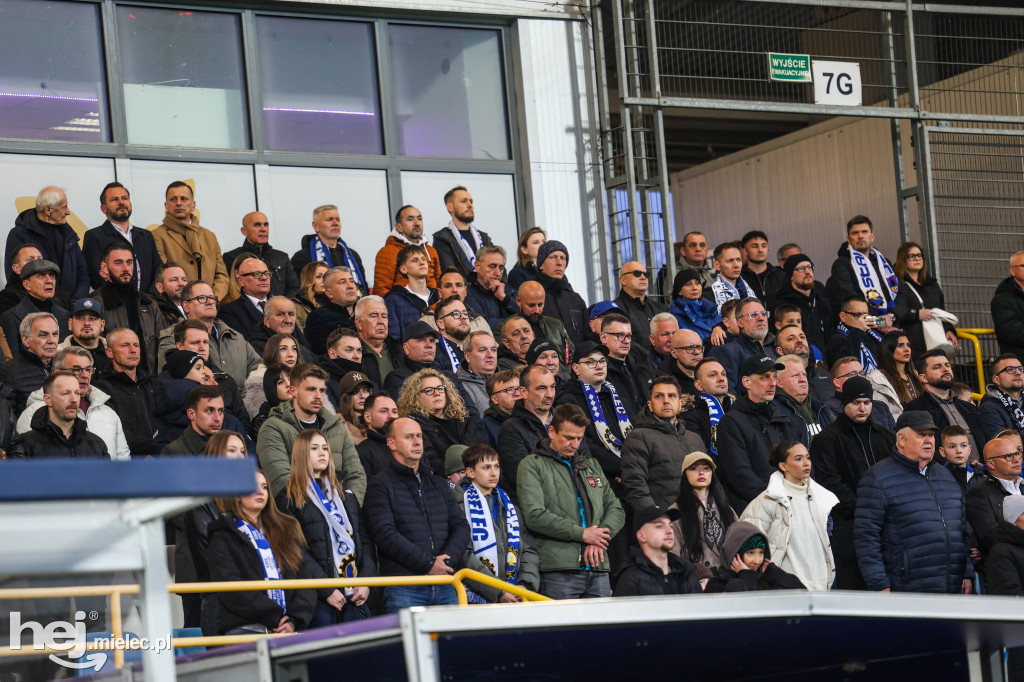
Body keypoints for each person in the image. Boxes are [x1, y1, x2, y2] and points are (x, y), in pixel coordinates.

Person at [856, 410, 974, 594]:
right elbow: (866, 537)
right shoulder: (877, 478)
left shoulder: (946, 476)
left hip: (953, 585)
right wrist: (879, 583)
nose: (928, 440)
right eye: (921, 435)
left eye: (931, 435)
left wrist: (966, 572)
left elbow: (959, 530)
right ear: (901, 440)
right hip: (906, 589)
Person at [517, 404, 625, 599]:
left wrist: (597, 539)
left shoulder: (591, 465)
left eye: (579, 438)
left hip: (598, 564)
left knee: (603, 629)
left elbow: (616, 508)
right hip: (558, 570)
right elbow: (534, 515)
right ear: (551, 431)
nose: (574, 444)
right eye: (568, 437)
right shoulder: (531, 465)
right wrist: (583, 534)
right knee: (562, 629)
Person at [363, 416, 470, 612]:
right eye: (409, 437)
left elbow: (461, 526)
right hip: (405, 587)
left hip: (445, 582)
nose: (417, 441)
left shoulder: (437, 483)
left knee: (450, 643)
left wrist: (444, 563)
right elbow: (385, 534)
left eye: (419, 436)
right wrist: (428, 564)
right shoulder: (380, 485)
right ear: (392, 443)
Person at [278, 429, 373, 624]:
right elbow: (295, 550)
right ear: (301, 454)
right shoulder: (288, 498)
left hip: (355, 592)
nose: (322, 453)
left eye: (325, 448)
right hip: (318, 598)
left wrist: (367, 580)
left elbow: (365, 541)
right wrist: (326, 588)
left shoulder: (346, 494)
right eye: (314, 448)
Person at [205, 470, 317, 635]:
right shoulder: (222, 534)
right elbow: (232, 588)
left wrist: (293, 619)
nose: (260, 492)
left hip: (289, 629)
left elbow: (306, 580)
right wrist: (277, 617)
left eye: (264, 487)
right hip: (245, 629)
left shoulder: (285, 530)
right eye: (252, 487)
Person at [810, 376, 894, 589]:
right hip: (848, 527)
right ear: (844, 403)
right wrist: (865, 509)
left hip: (886, 525)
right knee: (855, 591)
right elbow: (829, 482)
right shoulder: (827, 439)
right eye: (856, 403)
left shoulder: (884, 436)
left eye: (867, 402)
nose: (862, 408)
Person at [257, 363, 366, 501]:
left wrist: (349, 507)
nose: (318, 396)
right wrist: (321, 509)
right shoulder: (273, 428)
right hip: (300, 515)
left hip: (341, 512)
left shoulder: (337, 427)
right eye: (311, 389)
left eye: (321, 390)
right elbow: (281, 480)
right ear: (293, 391)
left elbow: (356, 475)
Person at [740, 440, 837, 590]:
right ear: (783, 466)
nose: (806, 463)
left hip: (821, 587)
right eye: (798, 459)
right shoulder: (766, 502)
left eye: (808, 457)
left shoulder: (822, 499)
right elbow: (747, 548)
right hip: (785, 589)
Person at [453, 443, 541, 603]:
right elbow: (464, 555)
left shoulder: (511, 507)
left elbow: (528, 548)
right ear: (470, 472)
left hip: (516, 595)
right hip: (475, 599)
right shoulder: (458, 507)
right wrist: (498, 591)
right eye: (486, 467)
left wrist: (524, 584)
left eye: (497, 467)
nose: (494, 473)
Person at [715, 355, 804, 510]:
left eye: (775, 377)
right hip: (757, 512)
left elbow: (803, 464)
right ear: (746, 382)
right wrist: (777, 500)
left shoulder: (788, 421)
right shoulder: (731, 422)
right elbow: (739, 474)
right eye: (765, 377)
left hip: (794, 508)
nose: (772, 383)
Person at [15, 347, 129, 460]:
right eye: (77, 369)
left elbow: (123, 463)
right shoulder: (32, 413)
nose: (85, 375)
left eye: (88, 369)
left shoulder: (108, 413)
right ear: (58, 373)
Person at [556, 341, 633, 493]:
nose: (599, 366)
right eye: (591, 362)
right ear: (576, 368)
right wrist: (620, 468)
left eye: (602, 361)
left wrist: (635, 468)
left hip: (632, 471)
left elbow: (637, 432)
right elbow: (583, 444)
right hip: (600, 477)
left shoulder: (618, 397)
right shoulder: (568, 402)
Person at [620, 376, 705, 512]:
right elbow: (635, 485)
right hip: (667, 520)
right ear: (650, 405)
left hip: (700, 517)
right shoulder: (638, 437)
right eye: (659, 396)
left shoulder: (695, 438)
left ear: (680, 403)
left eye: (671, 396)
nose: (666, 401)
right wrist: (656, 520)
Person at [156, 281, 261, 387]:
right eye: (202, 298)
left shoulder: (235, 336)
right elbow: (171, 379)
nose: (210, 302)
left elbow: (259, 368)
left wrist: (245, 398)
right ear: (186, 306)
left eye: (212, 298)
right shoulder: (172, 337)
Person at [91, 243, 168, 374]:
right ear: (104, 267)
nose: (126, 268)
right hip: (112, 383)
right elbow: (95, 349)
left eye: (129, 262)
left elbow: (164, 346)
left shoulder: (149, 303)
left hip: (150, 383)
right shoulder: (95, 304)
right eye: (118, 263)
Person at [5, 185, 89, 298]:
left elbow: (82, 272)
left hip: (69, 307)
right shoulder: (19, 234)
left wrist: (75, 302)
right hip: (35, 310)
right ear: (48, 210)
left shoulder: (68, 234)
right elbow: (14, 276)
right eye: (64, 207)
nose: (68, 212)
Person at [396, 368, 481, 477]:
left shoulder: (463, 420)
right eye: (429, 390)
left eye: (440, 388)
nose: (437, 393)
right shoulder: (416, 426)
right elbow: (434, 465)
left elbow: (483, 453)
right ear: (416, 396)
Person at [152, 181, 229, 299]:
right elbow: (163, 276)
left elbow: (221, 276)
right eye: (173, 199)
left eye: (183, 199)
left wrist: (212, 299)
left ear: (193, 205)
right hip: (177, 306)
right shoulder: (156, 235)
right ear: (166, 206)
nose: (178, 203)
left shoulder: (209, 236)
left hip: (210, 306)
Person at [905, 349, 988, 458]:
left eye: (947, 365)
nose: (945, 369)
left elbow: (987, 441)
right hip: (944, 473)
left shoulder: (968, 407)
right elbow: (920, 449)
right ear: (923, 378)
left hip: (982, 471)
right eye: (937, 367)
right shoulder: (916, 408)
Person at [8, 370, 109, 459]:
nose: (74, 399)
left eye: (77, 393)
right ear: (48, 399)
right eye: (66, 393)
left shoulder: (97, 445)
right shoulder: (25, 445)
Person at [83, 182, 163, 293]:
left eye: (124, 198)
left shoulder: (146, 235)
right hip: (115, 304)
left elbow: (159, 272)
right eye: (114, 200)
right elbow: (97, 276)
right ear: (103, 208)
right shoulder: (94, 236)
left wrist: (150, 298)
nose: (121, 202)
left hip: (148, 303)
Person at [668, 452, 736, 572]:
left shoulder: (726, 509)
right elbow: (672, 555)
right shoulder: (676, 511)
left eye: (706, 468)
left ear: (712, 473)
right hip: (696, 581)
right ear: (685, 474)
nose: (701, 472)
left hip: (729, 577)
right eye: (693, 468)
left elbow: (740, 542)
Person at [92, 328, 157, 456]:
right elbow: (113, 431)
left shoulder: (151, 383)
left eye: (136, 345)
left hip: (159, 458)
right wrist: (149, 448)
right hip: (128, 461)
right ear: (109, 352)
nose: (133, 350)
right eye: (125, 345)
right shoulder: (101, 390)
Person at [613, 506, 702, 597]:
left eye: (670, 526)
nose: (670, 531)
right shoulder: (631, 579)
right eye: (659, 526)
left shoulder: (685, 574)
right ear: (641, 536)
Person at [825, 215, 898, 325]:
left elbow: (900, 292)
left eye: (864, 232)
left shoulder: (884, 263)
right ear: (849, 239)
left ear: (872, 236)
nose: (860, 236)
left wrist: (892, 317)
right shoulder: (841, 265)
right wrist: (881, 322)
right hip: (864, 328)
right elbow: (850, 300)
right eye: (855, 233)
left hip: (892, 323)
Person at [497, 365, 557, 495]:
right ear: (523, 392)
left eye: (552, 387)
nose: (549, 394)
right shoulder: (511, 428)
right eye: (542, 388)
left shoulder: (567, 420)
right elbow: (523, 478)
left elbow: (587, 464)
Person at [894, 241, 958, 357]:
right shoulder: (897, 283)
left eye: (919, 255)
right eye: (912, 256)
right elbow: (896, 313)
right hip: (911, 344)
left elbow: (941, 311)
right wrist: (916, 314)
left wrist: (949, 330)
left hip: (935, 343)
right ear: (903, 259)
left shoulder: (932, 284)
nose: (917, 259)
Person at [703, 521, 806, 592]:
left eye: (761, 553)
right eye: (750, 553)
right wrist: (747, 575)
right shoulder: (717, 585)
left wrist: (774, 573)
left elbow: (801, 593)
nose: (757, 561)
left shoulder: (766, 580)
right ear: (735, 553)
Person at [966, 436, 1024, 558]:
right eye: (1008, 456)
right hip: (1007, 567)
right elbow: (991, 538)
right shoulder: (978, 495)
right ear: (991, 464)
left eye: (1017, 454)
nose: (1016, 460)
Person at [0, 258, 69, 360]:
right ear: (27, 285)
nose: (49, 281)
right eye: (41, 275)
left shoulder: (65, 315)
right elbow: (13, 361)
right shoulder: (11, 318)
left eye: (52, 276)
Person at [291, 204, 367, 296]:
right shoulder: (302, 257)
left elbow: (363, 287)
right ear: (316, 226)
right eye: (329, 219)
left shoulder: (353, 256)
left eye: (338, 219)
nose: (335, 223)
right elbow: (300, 291)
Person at [222, 211, 300, 299]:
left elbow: (294, 288)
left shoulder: (282, 257)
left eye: (266, 225)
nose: (263, 229)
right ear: (244, 231)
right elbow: (232, 290)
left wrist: (282, 306)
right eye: (257, 225)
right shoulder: (231, 258)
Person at [708, 297, 777, 394]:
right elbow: (728, 395)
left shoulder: (777, 346)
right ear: (740, 322)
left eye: (764, 314)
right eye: (753, 315)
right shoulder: (727, 352)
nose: (761, 318)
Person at [373, 205, 442, 298]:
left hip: (434, 307)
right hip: (404, 309)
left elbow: (440, 283)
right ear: (399, 227)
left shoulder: (431, 251)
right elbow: (381, 290)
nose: (417, 223)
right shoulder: (388, 252)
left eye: (419, 219)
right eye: (410, 219)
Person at [769, 254, 831, 353]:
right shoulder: (782, 306)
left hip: (824, 361)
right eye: (802, 269)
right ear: (791, 276)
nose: (807, 272)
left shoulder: (821, 303)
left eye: (809, 267)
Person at [0, 312, 60, 414]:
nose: (51, 340)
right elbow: (7, 420)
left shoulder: (66, 366)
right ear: (26, 340)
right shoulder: (8, 372)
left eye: (55, 334)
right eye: (43, 335)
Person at [821, 356, 897, 433]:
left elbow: (894, 440)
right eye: (852, 374)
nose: (859, 377)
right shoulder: (827, 410)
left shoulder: (881, 407)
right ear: (837, 382)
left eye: (861, 373)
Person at [432, 186, 492, 277]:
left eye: (471, 201)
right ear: (450, 207)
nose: (470, 205)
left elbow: (499, 267)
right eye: (464, 201)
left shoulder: (484, 238)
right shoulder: (442, 239)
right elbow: (451, 275)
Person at [535, 240, 587, 346]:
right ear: (540, 264)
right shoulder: (533, 296)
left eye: (563, 258)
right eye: (553, 257)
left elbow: (587, 335)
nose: (559, 262)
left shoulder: (576, 299)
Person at [383, 245, 440, 339]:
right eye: (415, 260)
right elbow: (394, 337)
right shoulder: (394, 299)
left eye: (423, 259)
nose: (421, 262)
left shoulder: (438, 295)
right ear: (403, 269)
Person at [867, 331, 922, 420]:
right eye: (900, 345)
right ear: (888, 349)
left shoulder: (914, 375)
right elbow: (881, 415)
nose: (907, 349)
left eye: (908, 345)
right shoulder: (877, 379)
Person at [772, 354, 827, 444]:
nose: (803, 379)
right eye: (795, 375)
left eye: (804, 375)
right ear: (779, 382)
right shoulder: (775, 411)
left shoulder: (822, 409)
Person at [305, 266, 360, 355]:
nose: (350, 286)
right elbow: (324, 352)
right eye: (342, 282)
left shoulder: (366, 312)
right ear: (329, 293)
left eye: (352, 281)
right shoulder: (318, 317)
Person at [598, 313, 645, 417]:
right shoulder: (598, 372)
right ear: (603, 338)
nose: (627, 341)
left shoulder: (638, 368)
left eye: (628, 336)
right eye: (620, 335)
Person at [516, 280, 573, 365]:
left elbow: (570, 353)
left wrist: (565, 375)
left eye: (540, 305)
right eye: (531, 305)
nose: (536, 310)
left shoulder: (556, 325)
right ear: (518, 302)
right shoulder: (507, 327)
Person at [218, 254, 272, 340]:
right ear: (241, 280)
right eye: (257, 274)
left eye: (266, 273)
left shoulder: (282, 305)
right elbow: (242, 346)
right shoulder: (229, 311)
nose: (264, 278)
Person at [463, 245, 517, 332]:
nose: (498, 273)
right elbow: (482, 325)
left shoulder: (507, 290)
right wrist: (516, 323)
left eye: (501, 267)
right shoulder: (468, 293)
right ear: (477, 266)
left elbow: (527, 313)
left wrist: (504, 298)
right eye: (492, 266)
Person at [161, 384, 226, 455]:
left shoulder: (230, 446)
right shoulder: (174, 452)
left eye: (220, 411)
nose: (217, 418)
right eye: (209, 411)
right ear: (191, 414)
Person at [614, 261, 664, 352]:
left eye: (646, 274)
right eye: (637, 273)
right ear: (623, 280)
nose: (643, 277)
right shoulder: (616, 310)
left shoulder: (661, 309)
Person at [774, 323, 831, 403]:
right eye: (791, 339)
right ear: (780, 351)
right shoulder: (776, 382)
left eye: (802, 337)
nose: (799, 340)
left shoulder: (827, 376)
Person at [353, 295, 401, 389]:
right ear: (359, 323)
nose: (381, 321)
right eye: (374, 316)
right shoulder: (352, 354)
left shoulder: (399, 349)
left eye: (384, 316)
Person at [826, 295, 884, 369]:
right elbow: (847, 366)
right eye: (858, 314)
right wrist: (858, 330)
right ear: (843, 316)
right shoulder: (837, 340)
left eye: (865, 315)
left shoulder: (873, 335)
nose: (862, 319)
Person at [249, 297, 314, 361]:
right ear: (267, 320)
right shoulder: (256, 350)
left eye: (291, 314)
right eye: (280, 314)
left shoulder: (301, 345)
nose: (288, 320)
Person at [657, 231, 716, 300]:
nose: (698, 249)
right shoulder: (673, 274)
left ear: (706, 250)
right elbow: (670, 303)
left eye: (702, 245)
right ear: (683, 251)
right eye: (693, 245)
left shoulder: (713, 276)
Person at [668, 268, 721, 343]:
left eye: (697, 283)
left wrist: (719, 327)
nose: (694, 288)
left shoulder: (714, 309)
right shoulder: (675, 318)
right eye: (688, 284)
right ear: (679, 291)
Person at [314, 327, 363, 409]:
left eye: (359, 351)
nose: (356, 356)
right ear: (332, 354)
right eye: (349, 350)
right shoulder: (322, 383)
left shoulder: (368, 380)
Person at [980, 354, 1024, 439]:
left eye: (1020, 369)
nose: (1018, 373)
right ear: (996, 379)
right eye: (1010, 369)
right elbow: (1003, 447)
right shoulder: (988, 408)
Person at [355, 392, 398, 479]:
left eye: (394, 411)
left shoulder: (407, 445)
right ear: (368, 417)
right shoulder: (361, 452)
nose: (391, 416)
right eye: (384, 411)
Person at [992, 250, 1024, 360]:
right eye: (1023, 265)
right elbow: (1011, 332)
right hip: (1018, 364)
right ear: (1012, 271)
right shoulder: (1002, 299)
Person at [739, 230, 786, 303]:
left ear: (768, 249)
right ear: (745, 251)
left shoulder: (781, 276)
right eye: (755, 246)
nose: (760, 250)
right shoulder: (739, 278)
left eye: (763, 246)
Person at [456, 330, 496, 416]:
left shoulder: (506, 380)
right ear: (468, 356)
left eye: (493, 350)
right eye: (482, 350)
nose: (490, 355)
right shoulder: (459, 388)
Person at [709, 242, 753, 313]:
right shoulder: (711, 295)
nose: (736, 265)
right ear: (717, 265)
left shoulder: (749, 287)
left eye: (738, 260)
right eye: (730, 261)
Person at [433, 296, 471, 373]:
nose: (463, 317)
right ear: (441, 324)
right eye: (456, 314)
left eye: (465, 313)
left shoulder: (476, 350)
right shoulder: (434, 354)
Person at [481, 368, 519, 447]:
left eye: (519, 388)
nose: (517, 393)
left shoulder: (534, 416)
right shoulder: (485, 427)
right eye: (509, 390)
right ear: (495, 399)